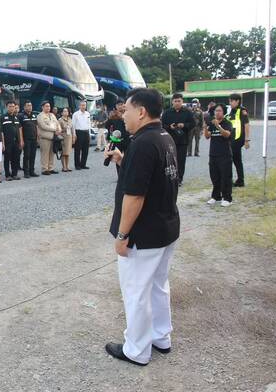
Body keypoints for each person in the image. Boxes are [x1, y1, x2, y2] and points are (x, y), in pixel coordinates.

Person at [103, 87, 180, 367]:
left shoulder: (143, 143)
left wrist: (122, 234)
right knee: (158, 286)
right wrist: (123, 160)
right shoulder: (163, 137)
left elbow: (135, 196)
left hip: (143, 233)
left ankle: (137, 349)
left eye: (127, 110)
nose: (123, 115)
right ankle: (161, 336)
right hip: (165, 227)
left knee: (136, 291)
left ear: (142, 112)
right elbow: (153, 177)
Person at [204, 104, 234, 207]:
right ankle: (216, 196)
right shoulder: (212, 123)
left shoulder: (227, 123)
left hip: (224, 154)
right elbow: (207, 136)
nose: (217, 113)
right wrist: (205, 127)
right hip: (213, 154)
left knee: (225, 177)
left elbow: (227, 135)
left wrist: (218, 126)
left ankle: (227, 198)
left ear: (223, 112)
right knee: (214, 176)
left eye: (219, 111)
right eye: (216, 111)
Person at [161, 93, 195, 186]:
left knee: (181, 160)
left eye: (179, 101)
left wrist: (184, 125)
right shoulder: (167, 113)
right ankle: (170, 178)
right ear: (172, 102)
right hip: (169, 140)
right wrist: (169, 127)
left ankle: (179, 179)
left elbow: (193, 123)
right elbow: (162, 125)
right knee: (169, 160)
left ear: (182, 101)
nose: (177, 103)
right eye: (175, 101)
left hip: (182, 140)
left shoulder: (187, 112)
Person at [226, 93, 250, 187]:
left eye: (231, 101)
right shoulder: (232, 111)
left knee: (231, 160)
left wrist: (247, 140)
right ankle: (240, 180)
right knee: (236, 160)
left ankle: (233, 180)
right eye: (230, 101)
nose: (230, 103)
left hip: (237, 139)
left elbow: (246, 125)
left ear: (237, 101)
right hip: (231, 139)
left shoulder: (242, 111)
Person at [105, 100, 131, 176]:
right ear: (116, 106)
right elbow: (107, 126)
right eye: (118, 105)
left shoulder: (127, 113)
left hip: (127, 138)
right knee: (117, 157)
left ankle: (128, 174)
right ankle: (120, 175)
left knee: (128, 156)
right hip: (117, 139)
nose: (120, 106)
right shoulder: (113, 115)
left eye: (121, 104)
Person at [37, 101, 61, 175]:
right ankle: (45, 169)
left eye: (49, 106)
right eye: (46, 106)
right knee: (45, 154)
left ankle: (51, 168)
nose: (48, 108)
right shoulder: (40, 116)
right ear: (42, 107)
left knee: (52, 153)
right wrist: (54, 130)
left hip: (53, 137)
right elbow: (43, 126)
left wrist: (59, 130)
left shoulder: (52, 115)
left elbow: (57, 123)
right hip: (45, 137)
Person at [1, 101, 22, 181]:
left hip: (16, 142)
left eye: (13, 106)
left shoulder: (16, 118)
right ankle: (7, 175)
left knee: (16, 158)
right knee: (7, 159)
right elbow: (1, 132)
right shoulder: (3, 117)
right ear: (6, 107)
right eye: (10, 106)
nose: (12, 108)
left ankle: (14, 174)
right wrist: (3, 143)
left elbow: (19, 130)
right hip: (7, 142)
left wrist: (21, 141)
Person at [19, 101, 39, 178]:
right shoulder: (21, 116)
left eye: (30, 105)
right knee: (27, 156)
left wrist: (37, 137)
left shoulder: (34, 115)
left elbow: (36, 127)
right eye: (28, 105)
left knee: (33, 155)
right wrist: (21, 140)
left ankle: (32, 171)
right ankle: (26, 172)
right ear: (24, 107)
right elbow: (20, 129)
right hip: (26, 139)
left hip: (34, 138)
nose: (30, 107)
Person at [72, 100, 92, 170]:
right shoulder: (75, 114)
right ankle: (77, 165)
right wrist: (74, 134)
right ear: (79, 106)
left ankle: (83, 164)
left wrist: (89, 134)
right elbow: (73, 125)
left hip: (86, 132)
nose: (83, 107)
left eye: (84, 105)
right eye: (82, 105)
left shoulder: (87, 114)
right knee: (77, 149)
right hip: (79, 132)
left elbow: (89, 124)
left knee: (85, 150)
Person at [58, 107, 75, 172]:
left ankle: (67, 166)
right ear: (62, 113)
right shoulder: (60, 120)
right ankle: (64, 167)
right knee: (63, 153)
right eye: (64, 111)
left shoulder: (70, 119)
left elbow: (72, 128)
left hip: (69, 137)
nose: (66, 112)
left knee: (67, 153)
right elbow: (58, 130)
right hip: (63, 137)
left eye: (67, 111)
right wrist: (64, 129)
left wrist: (73, 136)